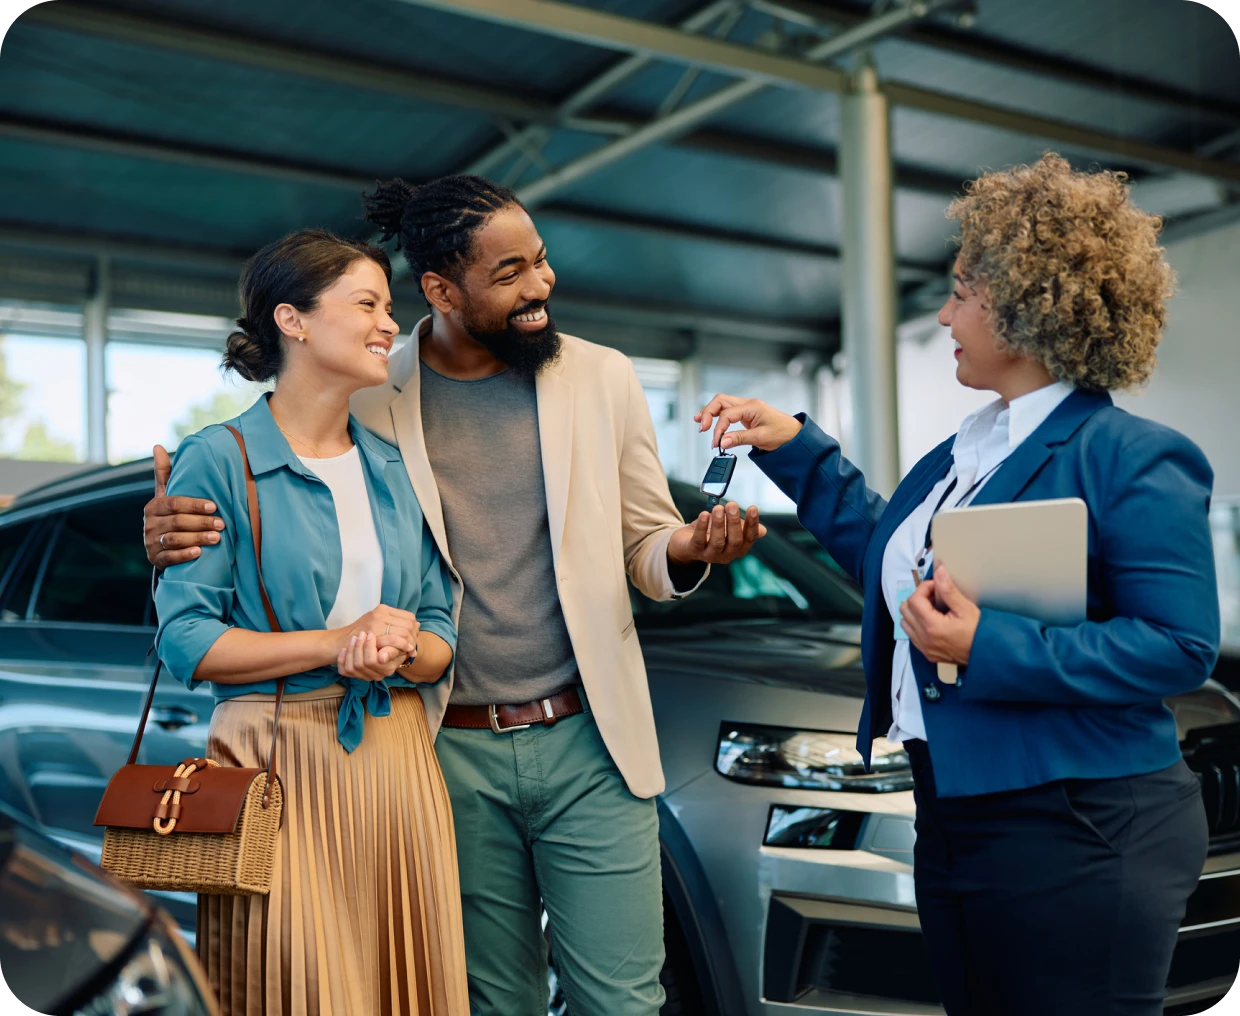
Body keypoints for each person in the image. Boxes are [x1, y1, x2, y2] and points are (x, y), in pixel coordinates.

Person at [144, 175, 765, 1016]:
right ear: (441, 288)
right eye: (509, 273)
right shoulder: (374, 395)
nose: (540, 285)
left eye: (540, 262)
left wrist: (692, 546)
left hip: (590, 737)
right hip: (442, 747)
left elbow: (646, 545)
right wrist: (167, 523)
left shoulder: (602, 378)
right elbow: (282, 481)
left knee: (622, 999)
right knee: (482, 998)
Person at [695, 154, 1218, 1016]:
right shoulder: (965, 454)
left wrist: (987, 646)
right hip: (953, 810)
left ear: (1022, 306)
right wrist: (791, 444)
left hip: (1081, 822)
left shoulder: (1131, 455)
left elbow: (1179, 645)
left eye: (962, 294)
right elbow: (886, 558)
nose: (944, 314)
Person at [154, 229, 469, 1015]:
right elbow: (187, 640)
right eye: (367, 303)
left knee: (407, 987)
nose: (389, 323)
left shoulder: (391, 466)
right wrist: (341, 643)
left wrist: (399, 649)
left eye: (388, 307)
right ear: (292, 320)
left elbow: (438, 628)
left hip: (397, 761)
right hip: (274, 764)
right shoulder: (219, 459)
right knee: (291, 987)